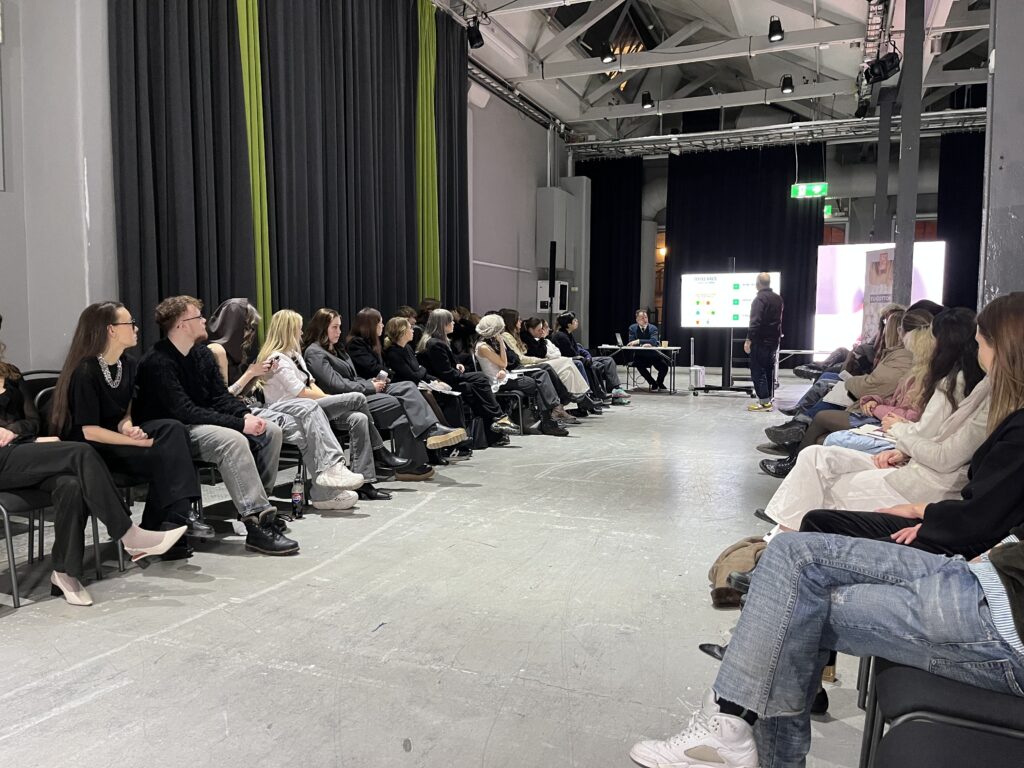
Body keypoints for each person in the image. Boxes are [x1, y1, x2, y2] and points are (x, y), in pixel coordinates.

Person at [629, 530, 1024, 768]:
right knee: (790, 554)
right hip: (987, 573)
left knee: (792, 608)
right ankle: (730, 720)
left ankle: (729, 719)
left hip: (1001, 624)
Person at [799, 293, 1024, 559]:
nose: (978, 353)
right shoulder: (984, 390)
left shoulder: (974, 393)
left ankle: (781, 549)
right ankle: (780, 547)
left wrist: (926, 515)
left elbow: (981, 508)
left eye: (981, 344)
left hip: (949, 517)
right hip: (945, 506)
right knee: (820, 478)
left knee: (826, 477)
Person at [0, 326, 186, 606]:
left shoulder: (12, 374)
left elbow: (33, 420)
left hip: (24, 450)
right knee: (80, 451)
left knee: (71, 485)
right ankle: (129, 534)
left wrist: (14, 431)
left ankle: (65, 573)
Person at [133, 296, 299, 556]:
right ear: (181, 325)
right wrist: (239, 425)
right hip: (175, 433)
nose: (204, 321)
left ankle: (259, 508)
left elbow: (220, 397)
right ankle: (257, 523)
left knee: (270, 431)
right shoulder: (158, 361)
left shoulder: (202, 354)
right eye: (197, 317)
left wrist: (245, 416)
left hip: (200, 423)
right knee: (232, 440)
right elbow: (184, 411)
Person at [49, 302, 210, 553]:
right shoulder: (85, 371)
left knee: (172, 429)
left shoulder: (129, 364)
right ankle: (166, 527)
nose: (136, 328)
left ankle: (172, 520)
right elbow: (89, 431)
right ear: (111, 330)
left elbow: (125, 413)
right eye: (130, 323)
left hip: (117, 442)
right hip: (92, 452)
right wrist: (134, 441)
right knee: (165, 457)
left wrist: (128, 428)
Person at [223, 307, 394, 504]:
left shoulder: (296, 355)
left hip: (306, 405)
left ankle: (364, 481)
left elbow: (311, 384)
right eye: (299, 328)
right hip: (287, 406)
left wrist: (329, 400)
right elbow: (301, 392)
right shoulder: (277, 358)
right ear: (288, 331)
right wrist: (331, 400)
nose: (302, 333)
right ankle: (371, 452)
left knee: (359, 418)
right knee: (356, 398)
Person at [759, 320, 936, 478]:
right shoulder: (907, 363)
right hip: (880, 414)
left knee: (827, 408)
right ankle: (798, 444)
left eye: (887, 325)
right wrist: (873, 399)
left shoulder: (909, 364)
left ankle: (797, 450)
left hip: (885, 421)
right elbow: (889, 394)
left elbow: (890, 396)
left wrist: (866, 396)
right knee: (829, 393)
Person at [301, 308, 436, 479]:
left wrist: (369, 382)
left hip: (357, 393)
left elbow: (352, 378)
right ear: (322, 327)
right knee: (398, 404)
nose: (339, 331)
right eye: (334, 327)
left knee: (406, 391)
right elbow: (335, 385)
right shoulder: (315, 352)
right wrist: (370, 386)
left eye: (340, 327)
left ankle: (412, 457)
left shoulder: (337, 349)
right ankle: (403, 458)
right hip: (339, 402)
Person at [346, 307, 467, 450]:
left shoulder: (382, 344)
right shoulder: (357, 343)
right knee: (416, 389)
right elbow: (374, 367)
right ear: (371, 325)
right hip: (372, 386)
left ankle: (437, 432)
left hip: (384, 383)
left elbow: (412, 370)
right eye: (380, 323)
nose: (382, 326)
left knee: (435, 392)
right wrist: (391, 373)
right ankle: (434, 430)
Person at [417, 308, 518, 444]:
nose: (454, 323)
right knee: (480, 379)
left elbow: (446, 365)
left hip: (446, 379)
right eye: (451, 321)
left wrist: (457, 364)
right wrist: (458, 371)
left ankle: (496, 428)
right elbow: (446, 373)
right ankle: (499, 418)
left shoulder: (437, 342)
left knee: (476, 391)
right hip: (441, 382)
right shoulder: (436, 344)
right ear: (443, 324)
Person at [474, 315, 568, 437]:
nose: (501, 332)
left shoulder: (490, 343)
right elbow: (503, 362)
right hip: (497, 381)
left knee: (541, 376)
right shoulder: (482, 347)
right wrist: (501, 343)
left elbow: (502, 365)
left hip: (504, 375)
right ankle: (549, 418)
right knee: (535, 383)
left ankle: (549, 418)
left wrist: (502, 368)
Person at [382, 316, 466, 435]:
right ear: (402, 331)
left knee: (453, 394)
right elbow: (414, 375)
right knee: (443, 397)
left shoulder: (408, 348)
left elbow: (420, 372)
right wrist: (422, 370)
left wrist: (436, 379)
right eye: (410, 328)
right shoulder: (393, 353)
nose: (413, 331)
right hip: (410, 388)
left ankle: (459, 432)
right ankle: (444, 430)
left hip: (420, 383)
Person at [552, 311, 629, 405]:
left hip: (580, 358)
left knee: (608, 360)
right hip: (572, 361)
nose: (577, 321)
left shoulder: (569, 334)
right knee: (597, 366)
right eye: (574, 320)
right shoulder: (561, 336)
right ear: (569, 324)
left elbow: (579, 349)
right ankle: (599, 394)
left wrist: (588, 356)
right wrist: (586, 358)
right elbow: (572, 354)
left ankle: (615, 389)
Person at [744, 273, 784, 412]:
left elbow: (755, 322)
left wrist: (748, 339)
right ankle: (768, 399)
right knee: (768, 369)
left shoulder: (759, 299)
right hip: (774, 340)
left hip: (761, 341)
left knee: (758, 370)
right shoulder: (778, 298)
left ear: (758, 284)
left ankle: (764, 403)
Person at [627, 309, 669, 391]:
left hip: (653, 355)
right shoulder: (632, 328)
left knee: (664, 367)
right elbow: (631, 342)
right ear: (637, 320)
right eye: (642, 318)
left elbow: (653, 341)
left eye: (646, 317)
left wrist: (638, 341)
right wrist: (643, 343)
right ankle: (653, 383)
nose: (645, 320)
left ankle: (659, 382)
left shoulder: (653, 328)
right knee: (639, 365)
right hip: (640, 355)